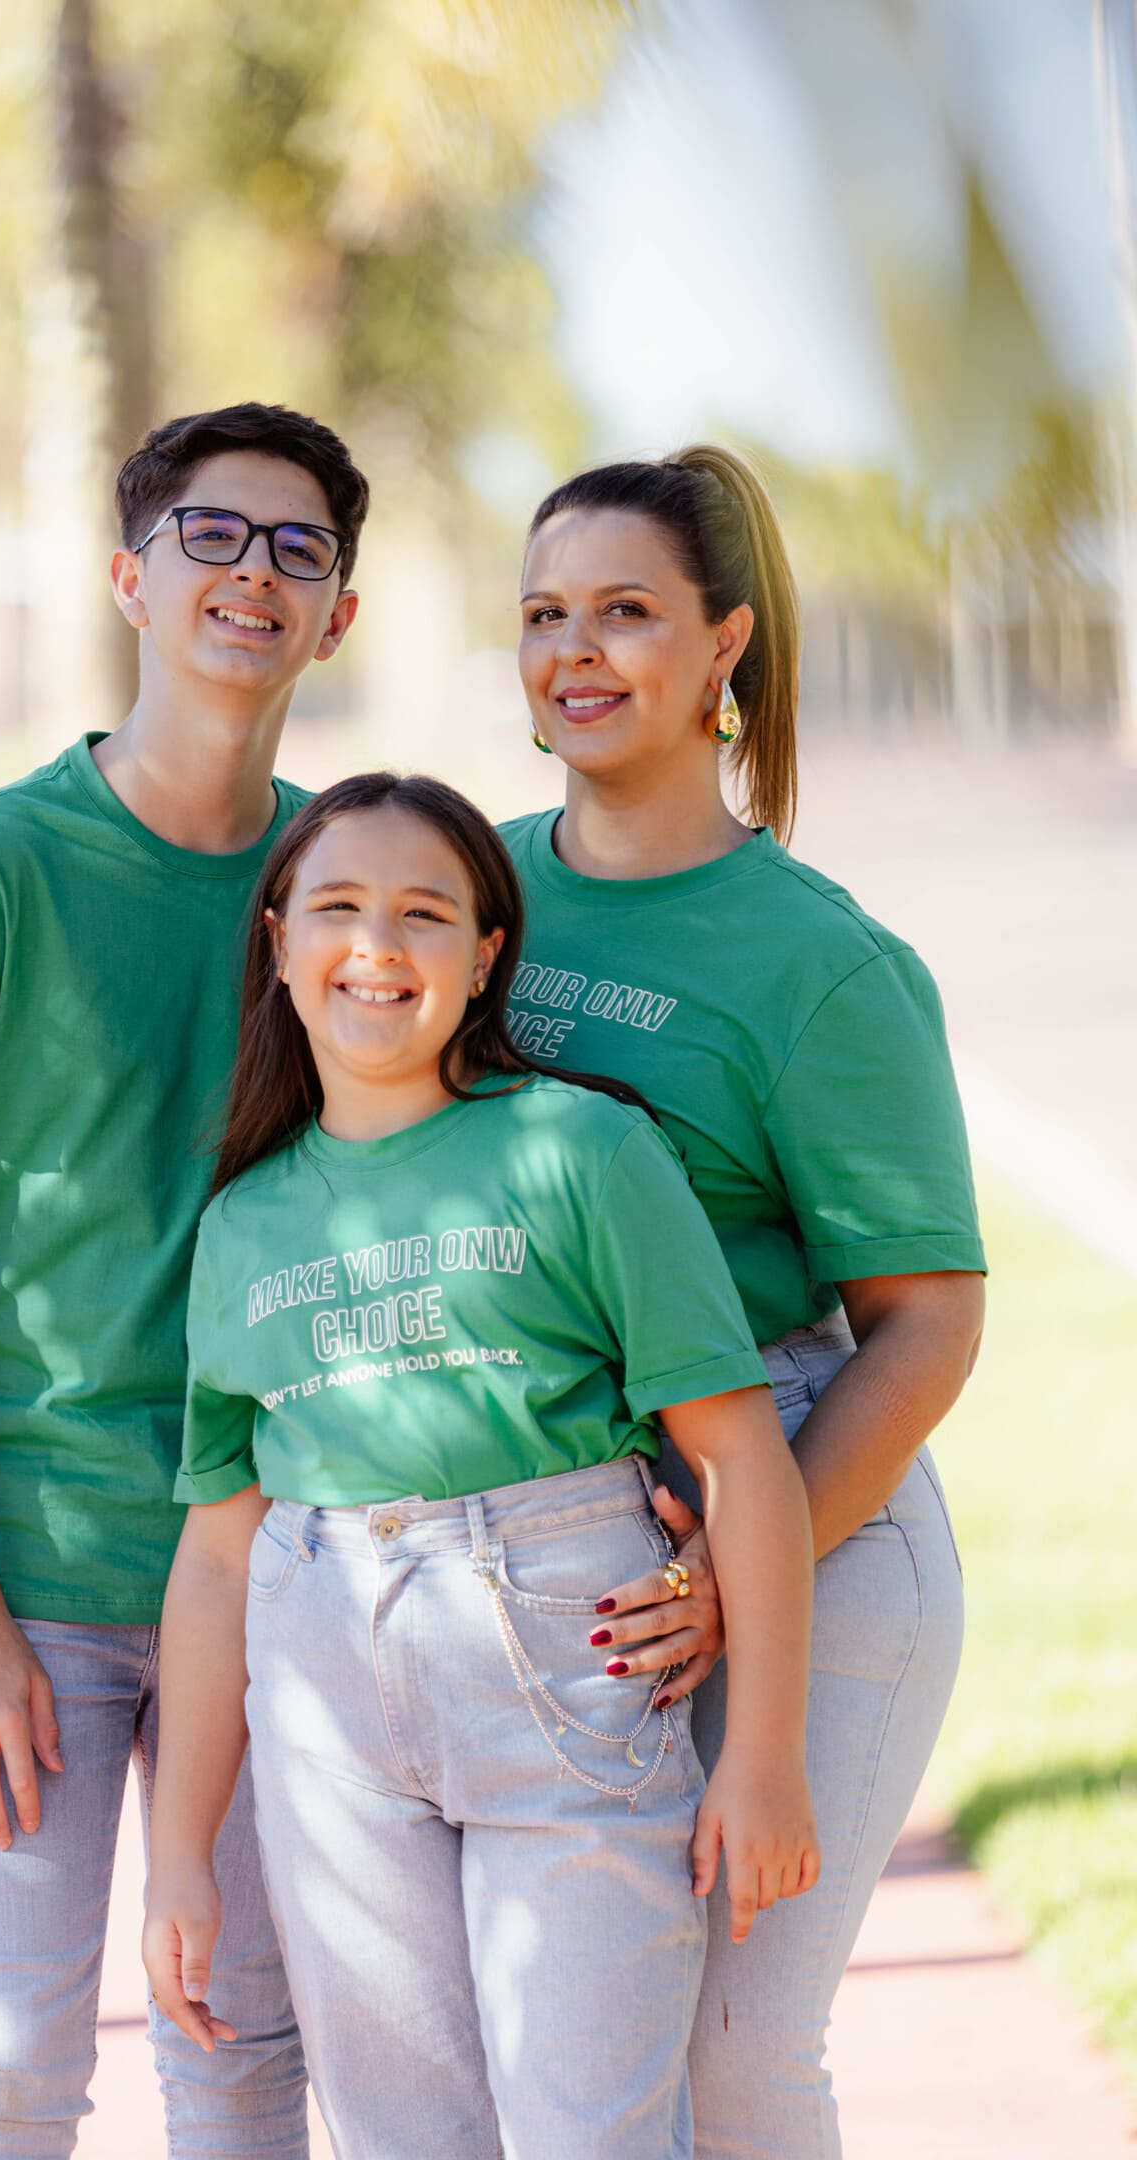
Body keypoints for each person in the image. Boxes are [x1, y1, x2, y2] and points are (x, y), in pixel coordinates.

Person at [0, 401, 368, 2158]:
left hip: (269, 1557)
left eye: (299, 548)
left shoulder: (340, 889)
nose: (254, 574)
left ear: (340, 614)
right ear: (133, 578)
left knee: (240, 2055)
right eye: (214, 535)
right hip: (37, 1569)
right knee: (4, 2071)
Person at [141, 771, 822, 2160]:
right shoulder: (242, 1223)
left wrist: (764, 1756)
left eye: (424, 914)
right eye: (335, 906)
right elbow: (218, 1556)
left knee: (594, 2134)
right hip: (327, 1702)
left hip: (564, 1668)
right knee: (402, 2140)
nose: (377, 946)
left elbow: (740, 1452)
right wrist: (179, 1863)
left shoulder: (582, 1149)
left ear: (486, 953)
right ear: (275, 937)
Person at [502, 445, 986, 2159]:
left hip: (810, 1535)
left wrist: (725, 1574)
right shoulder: (465, 890)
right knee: (565, 2066)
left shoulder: (821, 965)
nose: (576, 650)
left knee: (733, 2065)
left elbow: (926, 1325)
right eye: (547, 613)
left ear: (726, 646)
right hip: (551, 1545)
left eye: (626, 612)